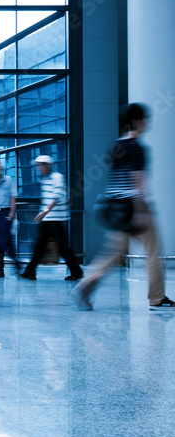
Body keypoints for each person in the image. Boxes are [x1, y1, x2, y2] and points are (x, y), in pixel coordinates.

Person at [74, 103, 173, 310]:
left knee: (113, 252)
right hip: (134, 207)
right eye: (144, 118)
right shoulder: (137, 148)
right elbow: (138, 182)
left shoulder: (115, 146)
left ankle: (86, 283)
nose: (147, 122)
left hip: (116, 208)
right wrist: (140, 211)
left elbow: (114, 180)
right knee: (153, 252)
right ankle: (156, 297)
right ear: (135, 120)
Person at [18, 155, 83, 282]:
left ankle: (76, 272)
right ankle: (29, 272)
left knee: (62, 247)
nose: (39, 168)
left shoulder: (57, 177)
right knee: (39, 246)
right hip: (47, 219)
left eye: (41, 165)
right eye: (37, 165)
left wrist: (45, 211)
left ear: (47, 165)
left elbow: (57, 196)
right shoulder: (44, 179)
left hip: (55, 218)